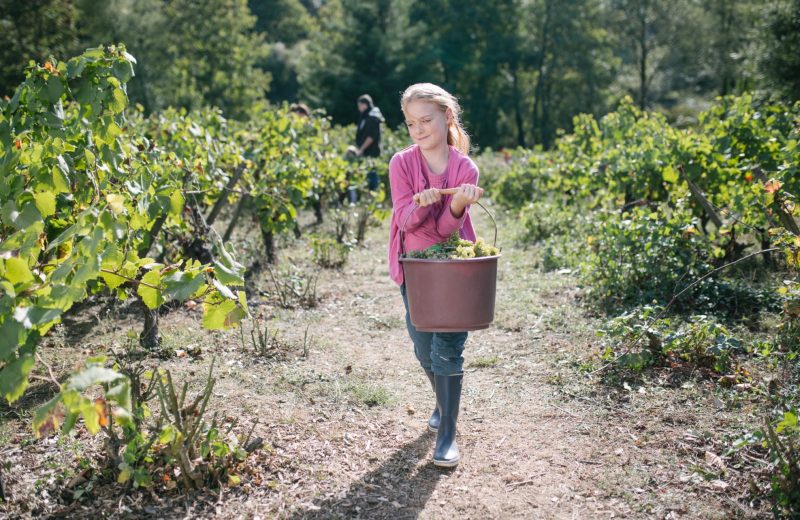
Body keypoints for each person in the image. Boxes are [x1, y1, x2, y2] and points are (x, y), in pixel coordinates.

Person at [387, 83, 484, 467]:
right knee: (423, 349)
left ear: (447, 117)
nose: (419, 130)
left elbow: (447, 232)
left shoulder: (465, 168)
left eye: (426, 120)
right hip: (417, 268)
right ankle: (443, 407)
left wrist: (457, 202)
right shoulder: (401, 163)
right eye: (411, 123)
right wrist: (422, 204)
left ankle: (447, 434)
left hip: (453, 269)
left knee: (447, 349)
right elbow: (406, 222)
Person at [355, 94, 383, 195]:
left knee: (372, 174)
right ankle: (369, 197)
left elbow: (371, 136)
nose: (359, 109)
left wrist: (361, 149)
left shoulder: (373, 117)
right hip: (366, 151)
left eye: (359, 106)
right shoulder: (366, 117)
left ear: (364, 105)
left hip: (372, 152)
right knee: (367, 174)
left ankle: (374, 197)